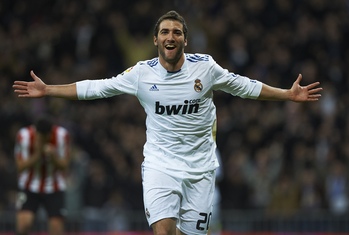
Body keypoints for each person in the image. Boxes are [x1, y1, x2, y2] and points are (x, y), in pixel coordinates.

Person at [13, 10, 322, 235]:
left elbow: (245, 86)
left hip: (200, 170)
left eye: (176, 32)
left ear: (185, 39)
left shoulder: (206, 68)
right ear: (155, 40)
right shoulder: (141, 74)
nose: (170, 37)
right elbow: (97, 88)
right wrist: (49, 89)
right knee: (163, 231)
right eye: (164, 32)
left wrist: (287, 95)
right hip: (161, 165)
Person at [14, 116, 70, 235]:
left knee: (56, 228)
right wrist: (38, 154)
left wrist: (53, 156)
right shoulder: (24, 136)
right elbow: (20, 167)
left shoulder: (62, 135)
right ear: (36, 132)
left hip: (54, 186)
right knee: (24, 224)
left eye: (46, 137)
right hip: (29, 185)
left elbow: (64, 166)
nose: (44, 140)